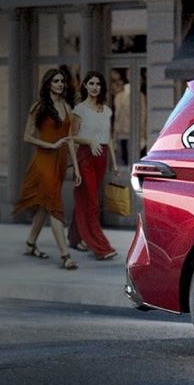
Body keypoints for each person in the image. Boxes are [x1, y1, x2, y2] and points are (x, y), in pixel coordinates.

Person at [14, 68, 81, 270]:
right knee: (55, 206)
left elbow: (70, 139)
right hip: (43, 161)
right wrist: (49, 145)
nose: (60, 84)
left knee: (45, 205)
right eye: (55, 81)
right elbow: (27, 136)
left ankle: (30, 244)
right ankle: (65, 256)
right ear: (48, 84)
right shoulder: (39, 107)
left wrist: (75, 166)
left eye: (62, 81)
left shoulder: (68, 107)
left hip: (59, 163)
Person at [68, 71, 120, 260]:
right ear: (85, 86)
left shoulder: (107, 111)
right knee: (92, 202)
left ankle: (74, 238)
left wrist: (114, 163)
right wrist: (89, 142)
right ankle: (100, 247)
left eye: (98, 84)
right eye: (91, 83)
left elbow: (109, 138)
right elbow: (71, 137)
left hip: (102, 158)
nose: (95, 87)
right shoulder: (79, 110)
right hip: (85, 157)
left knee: (85, 198)